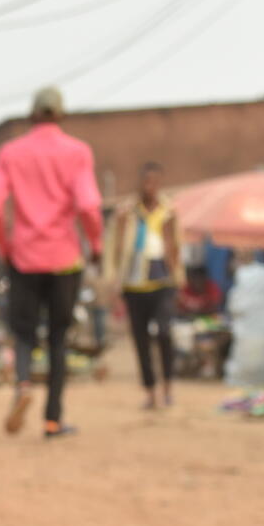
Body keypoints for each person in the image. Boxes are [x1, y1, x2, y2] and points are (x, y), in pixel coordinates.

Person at [0, 86, 102, 439]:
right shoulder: (78, 152)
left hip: (23, 257)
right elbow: (88, 207)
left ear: (32, 114)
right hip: (64, 258)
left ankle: (22, 384)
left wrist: (4, 246)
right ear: (61, 115)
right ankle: (53, 420)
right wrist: (95, 244)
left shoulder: (11, 153)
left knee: (23, 334)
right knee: (57, 339)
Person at [103, 161, 182, 411]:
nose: (150, 187)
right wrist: (112, 281)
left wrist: (180, 279)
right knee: (140, 339)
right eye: (146, 181)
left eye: (155, 182)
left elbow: (178, 246)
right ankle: (150, 391)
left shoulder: (169, 212)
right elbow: (112, 249)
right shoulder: (127, 214)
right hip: (134, 283)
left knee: (164, 333)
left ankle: (168, 385)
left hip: (162, 279)